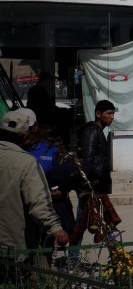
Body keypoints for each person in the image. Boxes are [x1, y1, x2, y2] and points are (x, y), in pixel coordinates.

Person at [0, 108, 69, 254]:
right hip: (11, 247)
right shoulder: (26, 162)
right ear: (26, 135)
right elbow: (38, 202)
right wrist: (55, 228)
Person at [74, 99, 120, 243]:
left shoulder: (99, 131)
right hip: (91, 187)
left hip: (98, 186)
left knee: (106, 222)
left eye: (113, 113)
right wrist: (92, 180)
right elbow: (88, 159)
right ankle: (72, 260)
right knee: (81, 224)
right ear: (98, 114)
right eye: (109, 113)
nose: (111, 116)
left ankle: (118, 260)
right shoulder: (92, 131)